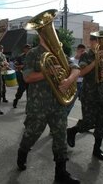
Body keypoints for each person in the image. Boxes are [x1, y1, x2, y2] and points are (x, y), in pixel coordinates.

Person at [16, 31, 81, 184]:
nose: (53, 39)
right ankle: (23, 151)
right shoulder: (32, 53)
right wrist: (48, 72)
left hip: (58, 104)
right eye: (48, 34)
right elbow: (27, 77)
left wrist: (69, 80)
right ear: (41, 36)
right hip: (38, 105)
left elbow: (76, 68)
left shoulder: (58, 53)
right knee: (31, 135)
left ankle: (61, 173)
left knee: (60, 137)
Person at [66, 31, 103, 161]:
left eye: (102, 41)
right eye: (97, 41)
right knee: (89, 122)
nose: (99, 44)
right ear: (91, 42)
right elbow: (81, 73)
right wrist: (95, 61)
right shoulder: (85, 55)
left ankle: (97, 149)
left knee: (102, 123)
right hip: (89, 93)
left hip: (101, 93)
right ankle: (72, 131)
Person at [66, 44, 86, 115]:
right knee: (70, 103)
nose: (83, 53)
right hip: (73, 84)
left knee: (86, 104)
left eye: (84, 51)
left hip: (82, 84)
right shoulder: (71, 60)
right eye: (81, 51)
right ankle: (64, 117)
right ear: (77, 50)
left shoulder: (85, 61)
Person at [12, 44, 31, 108]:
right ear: (24, 49)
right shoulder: (20, 57)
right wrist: (20, 66)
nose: (28, 50)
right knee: (21, 90)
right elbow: (15, 65)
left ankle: (28, 107)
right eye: (27, 48)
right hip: (22, 76)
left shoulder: (32, 57)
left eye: (29, 48)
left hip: (30, 76)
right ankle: (16, 100)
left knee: (29, 92)